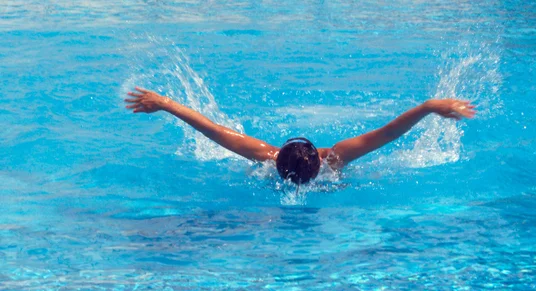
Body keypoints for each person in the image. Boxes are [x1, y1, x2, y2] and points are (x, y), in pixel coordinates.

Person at [125, 87, 475, 184]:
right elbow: (389, 133)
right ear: (315, 154)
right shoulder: (334, 160)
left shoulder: (266, 158)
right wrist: (430, 105)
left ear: (279, 157)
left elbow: (213, 131)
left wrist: (166, 103)